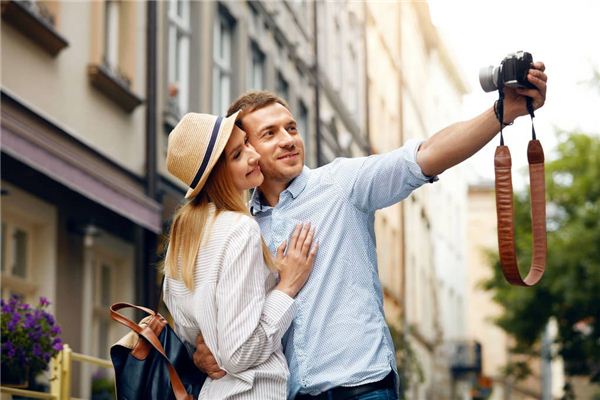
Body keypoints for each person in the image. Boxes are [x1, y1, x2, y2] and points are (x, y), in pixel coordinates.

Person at [194, 63, 548, 399]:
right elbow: (221, 311)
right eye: (269, 134)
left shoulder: (342, 184)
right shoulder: (239, 227)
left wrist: (502, 111)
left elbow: (427, 154)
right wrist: (204, 345)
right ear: (246, 151)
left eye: (291, 128)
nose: (288, 140)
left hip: (363, 388)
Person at [162, 111, 319, 399]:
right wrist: (287, 287)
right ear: (216, 174)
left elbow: (189, 335)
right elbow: (239, 353)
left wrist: (208, 349)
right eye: (237, 155)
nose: (253, 155)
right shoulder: (241, 230)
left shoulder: (182, 237)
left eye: (246, 142)